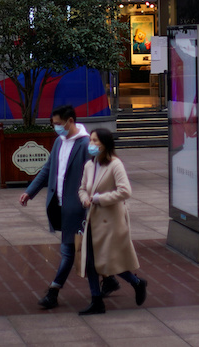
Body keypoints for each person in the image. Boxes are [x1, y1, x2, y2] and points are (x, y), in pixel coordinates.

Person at [19, 105, 119, 308]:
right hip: (62, 206)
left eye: (58, 124)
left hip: (79, 207)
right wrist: (30, 191)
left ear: (70, 121)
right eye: (54, 124)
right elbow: (48, 170)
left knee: (68, 251)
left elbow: (96, 175)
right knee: (86, 251)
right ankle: (114, 280)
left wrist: (94, 200)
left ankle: (53, 292)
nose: (56, 127)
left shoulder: (85, 144)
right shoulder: (59, 142)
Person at [76, 128, 148, 315]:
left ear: (105, 144)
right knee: (91, 261)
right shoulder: (89, 165)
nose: (91, 144)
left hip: (111, 221)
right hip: (93, 219)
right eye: (90, 140)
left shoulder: (115, 165)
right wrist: (85, 199)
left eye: (95, 141)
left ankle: (137, 282)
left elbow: (125, 191)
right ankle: (96, 300)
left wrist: (100, 198)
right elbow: (82, 188)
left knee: (108, 261)